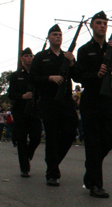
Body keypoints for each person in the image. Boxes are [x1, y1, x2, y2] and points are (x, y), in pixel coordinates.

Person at [76, 10, 112, 198]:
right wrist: (95, 75)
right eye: (98, 23)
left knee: (107, 141)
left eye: (105, 23)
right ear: (92, 26)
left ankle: (90, 172)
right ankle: (96, 185)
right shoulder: (84, 50)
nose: (102, 26)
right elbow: (79, 76)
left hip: (106, 100)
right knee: (93, 143)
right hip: (90, 100)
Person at [30, 24, 78, 187]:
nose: (58, 36)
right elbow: (33, 78)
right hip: (48, 100)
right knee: (52, 136)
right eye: (55, 34)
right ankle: (52, 173)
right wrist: (49, 78)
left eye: (60, 34)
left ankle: (53, 160)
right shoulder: (41, 56)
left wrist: (72, 63)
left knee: (71, 131)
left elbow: (78, 77)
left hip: (65, 100)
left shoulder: (67, 56)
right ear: (49, 37)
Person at [8, 47, 42, 177]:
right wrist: (22, 96)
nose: (29, 58)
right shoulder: (16, 76)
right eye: (26, 56)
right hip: (20, 111)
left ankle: (28, 153)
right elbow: (11, 94)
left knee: (36, 137)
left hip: (34, 110)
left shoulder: (36, 75)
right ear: (22, 58)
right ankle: (24, 168)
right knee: (21, 139)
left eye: (31, 56)